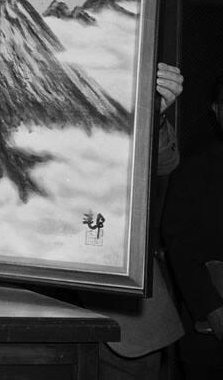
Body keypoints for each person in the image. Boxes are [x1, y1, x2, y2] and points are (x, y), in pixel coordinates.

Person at [79, 62, 185, 379]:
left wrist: (153, 113)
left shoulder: (109, 72)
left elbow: (166, 162)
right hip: (20, 316)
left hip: (122, 323)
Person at [163, 76, 223, 378]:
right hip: (210, 335)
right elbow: (180, 247)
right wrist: (213, 311)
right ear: (217, 111)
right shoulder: (192, 172)